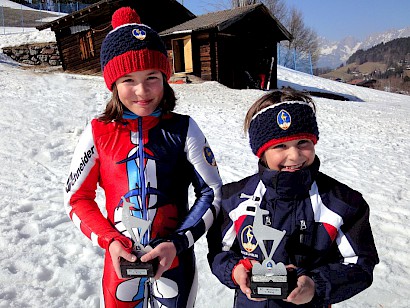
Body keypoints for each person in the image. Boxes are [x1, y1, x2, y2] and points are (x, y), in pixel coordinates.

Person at [64, 7, 222, 308]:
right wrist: (109, 240)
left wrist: (177, 243)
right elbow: (77, 198)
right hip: (119, 265)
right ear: (112, 84)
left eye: (152, 77)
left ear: (165, 77)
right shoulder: (97, 132)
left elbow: (211, 193)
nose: (142, 91)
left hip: (174, 262)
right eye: (127, 80)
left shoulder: (184, 128)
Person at [207, 89, 378, 307]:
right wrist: (235, 271)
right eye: (280, 146)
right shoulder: (234, 199)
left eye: (303, 143)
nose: (295, 156)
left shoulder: (343, 203)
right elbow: (219, 252)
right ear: (261, 152)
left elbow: (360, 264)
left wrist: (317, 285)